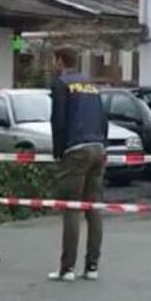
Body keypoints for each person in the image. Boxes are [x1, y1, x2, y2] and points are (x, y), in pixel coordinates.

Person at [47, 46, 108, 282]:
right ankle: (92, 266)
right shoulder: (92, 85)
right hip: (97, 147)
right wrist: (103, 144)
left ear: (60, 61)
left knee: (72, 207)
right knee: (93, 208)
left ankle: (67, 268)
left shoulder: (62, 84)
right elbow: (103, 118)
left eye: (54, 61)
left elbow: (58, 121)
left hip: (76, 149)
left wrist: (58, 152)